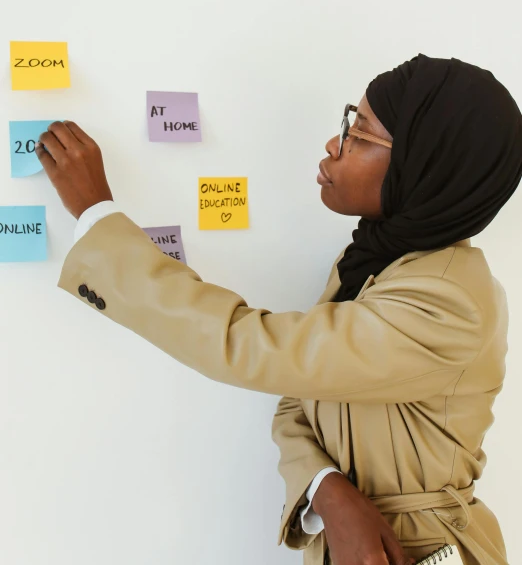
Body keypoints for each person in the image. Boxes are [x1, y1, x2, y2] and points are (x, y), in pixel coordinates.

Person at [36, 53, 522, 565]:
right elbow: (297, 400)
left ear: (424, 163)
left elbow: (254, 350)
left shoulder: (449, 301)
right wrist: (327, 490)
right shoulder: (375, 265)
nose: (334, 145)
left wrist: (98, 216)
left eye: (359, 134)